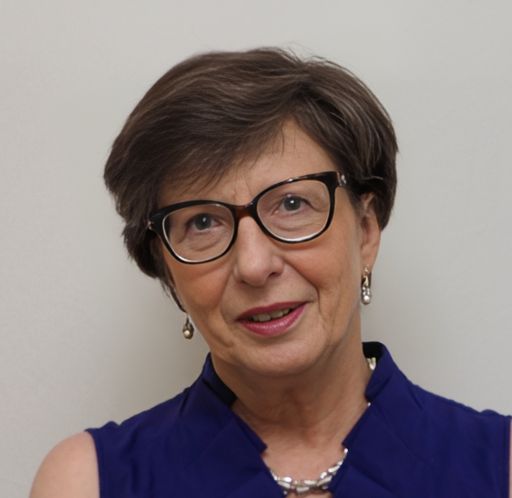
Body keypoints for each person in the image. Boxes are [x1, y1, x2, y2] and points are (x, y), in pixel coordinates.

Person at [30, 48, 511, 498]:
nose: (255, 266)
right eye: (203, 222)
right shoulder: (87, 481)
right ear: (168, 271)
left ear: (366, 232)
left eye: (292, 204)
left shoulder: (500, 466)